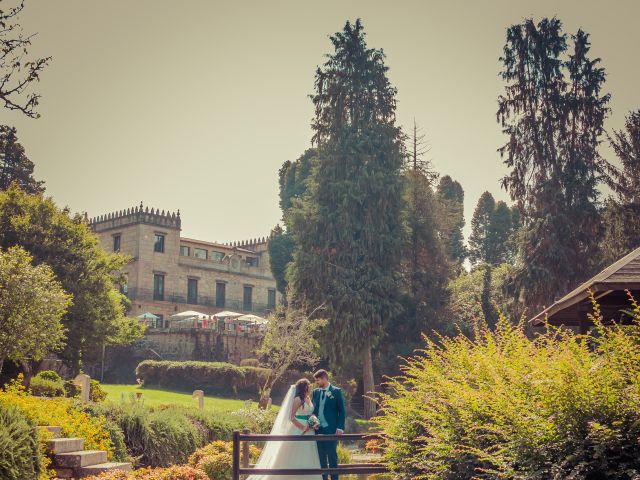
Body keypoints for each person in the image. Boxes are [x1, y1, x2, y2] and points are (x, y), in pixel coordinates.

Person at [247, 378, 322, 480]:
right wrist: (303, 427)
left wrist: (314, 422)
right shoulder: (298, 399)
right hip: (298, 428)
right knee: (295, 453)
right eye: (309, 385)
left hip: (309, 429)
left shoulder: (308, 398)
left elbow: (310, 413)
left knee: (308, 453)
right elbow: (292, 417)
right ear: (304, 387)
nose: (311, 386)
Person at [312, 369, 346, 480]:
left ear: (325, 378)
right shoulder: (315, 392)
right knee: (321, 458)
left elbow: (342, 411)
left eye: (318, 380)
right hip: (318, 430)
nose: (317, 383)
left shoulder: (336, 391)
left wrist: (340, 427)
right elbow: (314, 411)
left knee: (332, 457)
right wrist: (313, 423)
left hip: (331, 429)